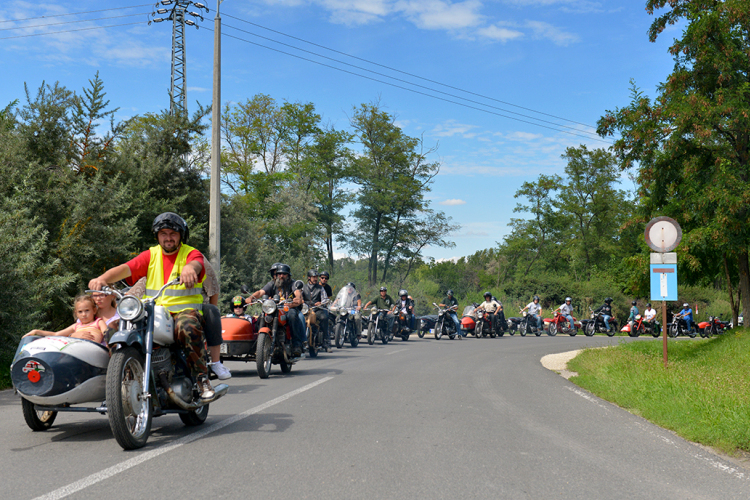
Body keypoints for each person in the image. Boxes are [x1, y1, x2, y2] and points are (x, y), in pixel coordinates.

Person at [88, 212, 215, 399]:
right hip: (153, 311)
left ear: (181, 235)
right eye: (163, 233)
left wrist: (190, 269)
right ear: (157, 235)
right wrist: (102, 278)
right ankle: (124, 379)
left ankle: (201, 378)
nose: (168, 237)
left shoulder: (191, 253)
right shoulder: (151, 255)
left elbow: (196, 264)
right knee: (114, 329)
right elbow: (126, 268)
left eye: (173, 233)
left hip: (183, 311)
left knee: (187, 326)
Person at [247, 263, 306, 357]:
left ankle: (296, 345)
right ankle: (257, 344)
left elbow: (297, 293)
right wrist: (251, 297)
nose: (281, 276)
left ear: (288, 275)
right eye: (279, 274)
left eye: (284, 274)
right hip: (274, 309)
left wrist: (298, 298)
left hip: (289, 308)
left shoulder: (293, 284)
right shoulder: (272, 284)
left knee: (292, 316)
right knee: (261, 317)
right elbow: (260, 292)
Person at [26, 294, 107, 344]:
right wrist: (36, 331)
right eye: (80, 312)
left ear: (94, 310)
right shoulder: (76, 326)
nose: (84, 314)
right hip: (79, 350)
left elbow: (107, 334)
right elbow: (56, 334)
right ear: (76, 313)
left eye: (87, 310)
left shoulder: (98, 322)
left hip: (94, 351)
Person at [303, 269, 330, 350]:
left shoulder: (320, 288)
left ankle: (326, 341)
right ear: (309, 278)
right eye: (313, 277)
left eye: (316, 277)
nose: (315, 279)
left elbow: (325, 299)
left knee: (324, 318)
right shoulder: (303, 287)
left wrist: (321, 303)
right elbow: (299, 297)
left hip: (317, 309)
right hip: (305, 310)